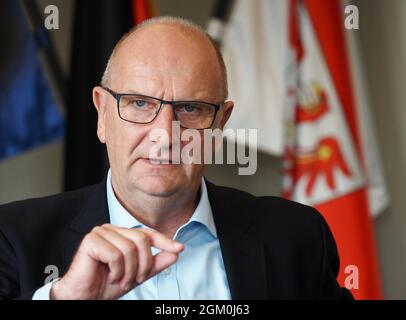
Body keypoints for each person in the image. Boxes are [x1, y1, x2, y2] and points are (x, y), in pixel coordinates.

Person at [0, 16, 352, 300]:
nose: (165, 134)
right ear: (102, 114)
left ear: (220, 123)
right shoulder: (14, 237)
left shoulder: (294, 237)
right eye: (139, 103)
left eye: (190, 108)